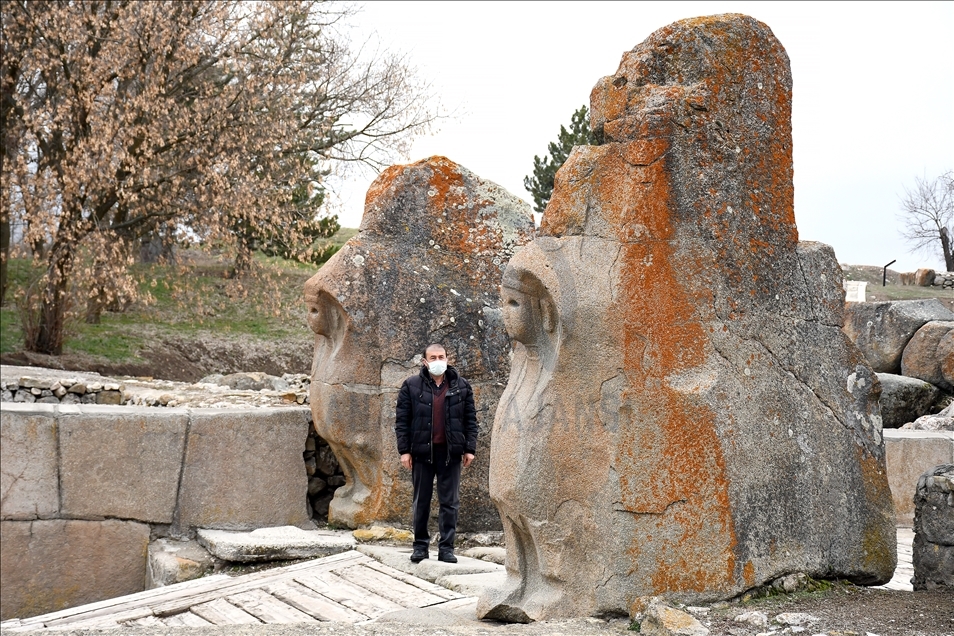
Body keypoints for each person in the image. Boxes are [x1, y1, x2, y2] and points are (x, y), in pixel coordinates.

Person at [395, 343, 478, 563]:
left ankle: (447, 548)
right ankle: (420, 547)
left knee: (450, 503)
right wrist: (404, 451)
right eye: (433, 357)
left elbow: (470, 419)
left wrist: (470, 448)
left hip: (450, 453)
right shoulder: (411, 385)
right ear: (424, 361)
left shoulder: (461, 386)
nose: (437, 361)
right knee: (421, 501)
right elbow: (402, 421)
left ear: (448, 358)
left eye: (441, 356)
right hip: (422, 452)